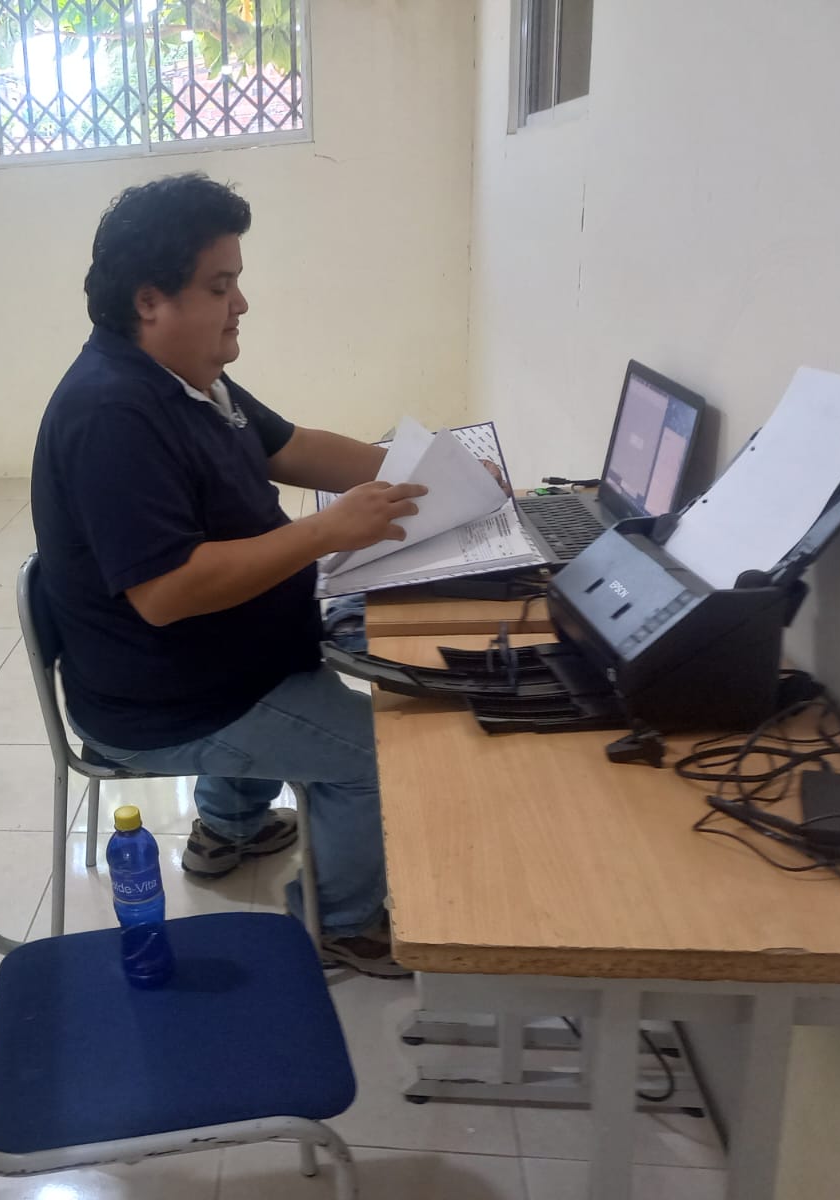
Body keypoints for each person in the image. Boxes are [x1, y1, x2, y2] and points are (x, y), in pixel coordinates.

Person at [31, 174, 499, 977]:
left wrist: (434, 475)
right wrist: (325, 532)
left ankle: (230, 828)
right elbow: (168, 592)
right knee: (375, 760)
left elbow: (292, 447)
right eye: (221, 286)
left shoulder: (187, 374)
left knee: (340, 660)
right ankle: (340, 925)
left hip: (217, 663)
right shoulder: (112, 414)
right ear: (150, 301)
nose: (240, 303)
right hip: (169, 701)